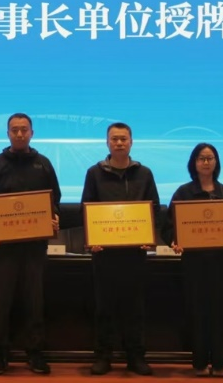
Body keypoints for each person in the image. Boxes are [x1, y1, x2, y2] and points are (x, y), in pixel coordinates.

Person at [0, 113, 61, 376]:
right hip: (3, 248)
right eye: (15, 130)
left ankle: (35, 353)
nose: (20, 134)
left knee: (34, 301)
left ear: (32, 133)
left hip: (34, 246)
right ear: (8, 133)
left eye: (24, 129)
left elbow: (54, 200)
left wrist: (53, 218)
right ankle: (0, 354)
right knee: (0, 301)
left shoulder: (43, 164)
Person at [80, 122, 159, 376]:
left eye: (124, 139)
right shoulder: (94, 173)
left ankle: (136, 356)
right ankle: (103, 356)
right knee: (104, 307)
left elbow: (154, 207)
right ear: (107, 143)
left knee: (135, 308)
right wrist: (92, 238)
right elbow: (86, 207)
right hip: (104, 253)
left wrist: (149, 236)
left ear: (131, 142)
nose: (119, 143)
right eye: (114, 139)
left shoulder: (144, 173)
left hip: (135, 252)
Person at [161, 143, 223, 378]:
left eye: (210, 158)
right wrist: (175, 240)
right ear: (193, 163)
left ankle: (219, 362)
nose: (206, 162)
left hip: (221, 264)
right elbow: (168, 227)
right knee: (197, 313)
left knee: (220, 312)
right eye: (201, 158)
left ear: (216, 162)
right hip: (194, 264)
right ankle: (199, 362)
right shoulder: (183, 193)